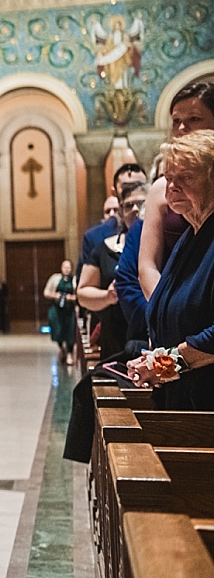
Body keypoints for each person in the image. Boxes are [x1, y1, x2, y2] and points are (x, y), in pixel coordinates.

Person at [127, 130, 214, 410]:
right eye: (168, 177)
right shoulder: (190, 237)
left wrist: (168, 363)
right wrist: (155, 358)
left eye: (186, 177)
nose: (172, 186)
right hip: (182, 399)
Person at [138, 83, 214, 300]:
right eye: (176, 121)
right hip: (174, 303)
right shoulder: (162, 187)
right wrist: (166, 312)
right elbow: (147, 266)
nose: (182, 128)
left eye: (194, 119)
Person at [78, 181, 148, 360]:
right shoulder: (104, 248)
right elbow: (83, 293)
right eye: (128, 205)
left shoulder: (168, 243)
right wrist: (107, 296)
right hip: (115, 337)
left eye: (140, 203)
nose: (134, 210)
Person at [79, 163, 146, 268]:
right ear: (115, 192)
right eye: (127, 187)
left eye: (138, 185)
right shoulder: (96, 237)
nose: (134, 191)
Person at [43, 259, 77, 364]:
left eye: (68, 267)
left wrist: (71, 297)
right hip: (57, 309)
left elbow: (79, 294)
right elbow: (46, 292)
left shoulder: (75, 279)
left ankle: (70, 354)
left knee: (70, 332)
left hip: (69, 310)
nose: (66, 270)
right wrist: (54, 295)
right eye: (64, 267)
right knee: (57, 331)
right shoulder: (55, 278)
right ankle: (61, 348)